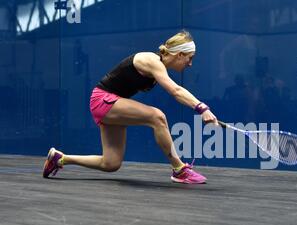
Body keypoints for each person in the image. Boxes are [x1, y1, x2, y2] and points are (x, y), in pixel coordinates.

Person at [43, 30, 218, 184]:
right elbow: (176, 90)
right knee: (157, 117)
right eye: (190, 58)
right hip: (103, 100)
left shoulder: (159, 68)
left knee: (110, 164)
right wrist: (202, 108)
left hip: (112, 104)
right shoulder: (152, 60)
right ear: (179, 54)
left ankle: (60, 159)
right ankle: (179, 169)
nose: (190, 63)